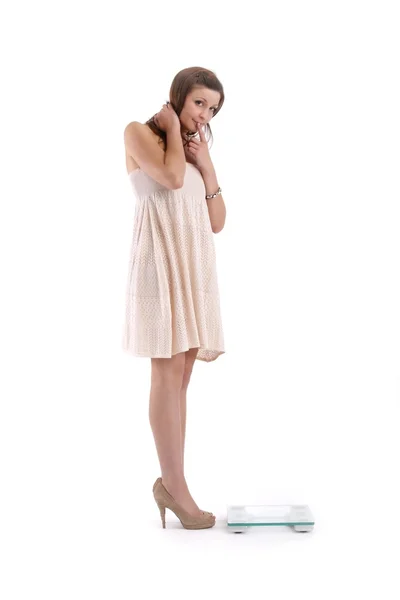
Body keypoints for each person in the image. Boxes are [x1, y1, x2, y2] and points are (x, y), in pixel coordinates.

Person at [122, 67, 226, 529]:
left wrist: (207, 165)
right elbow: (166, 180)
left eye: (214, 109)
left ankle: (173, 481)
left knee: (181, 374)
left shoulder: (194, 150)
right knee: (166, 372)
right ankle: (175, 486)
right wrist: (167, 128)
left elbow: (217, 220)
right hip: (160, 260)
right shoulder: (140, 133)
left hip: (191, 262)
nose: (205, 114)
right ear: (179, 96)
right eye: (200, 102)